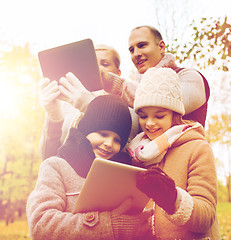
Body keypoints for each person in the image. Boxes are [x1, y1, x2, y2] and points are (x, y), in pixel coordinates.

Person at [27, 95, 153, 240]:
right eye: (103, 134)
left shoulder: (124, 175)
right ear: (86, 130)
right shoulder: (55, 167)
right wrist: (110, 225)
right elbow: (40, 226)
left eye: (117, 139)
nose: (109, 143)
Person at [126, 67, 220, 239]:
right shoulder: (136, 152)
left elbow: (206, 216)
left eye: (159, 116)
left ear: (174, 115)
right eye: (143, 116)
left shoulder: (197, 148)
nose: (150, 123)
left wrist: (173, 200)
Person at [66, 25, 210, 128]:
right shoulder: (131, 93)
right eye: (131, 49)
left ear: (161, 47)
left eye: (142, 45)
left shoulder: (190, 77)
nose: (136, 53)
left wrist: (111, 85)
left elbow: (162, 104)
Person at [38, 44, 139, 159]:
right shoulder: (65, 106)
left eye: (105, 64)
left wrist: (91, 107)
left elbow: (122, 157)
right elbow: (47, 157)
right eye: (93, 64)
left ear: (117, 73)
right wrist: (53, 115)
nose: (98, 68)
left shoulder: (128, 112)